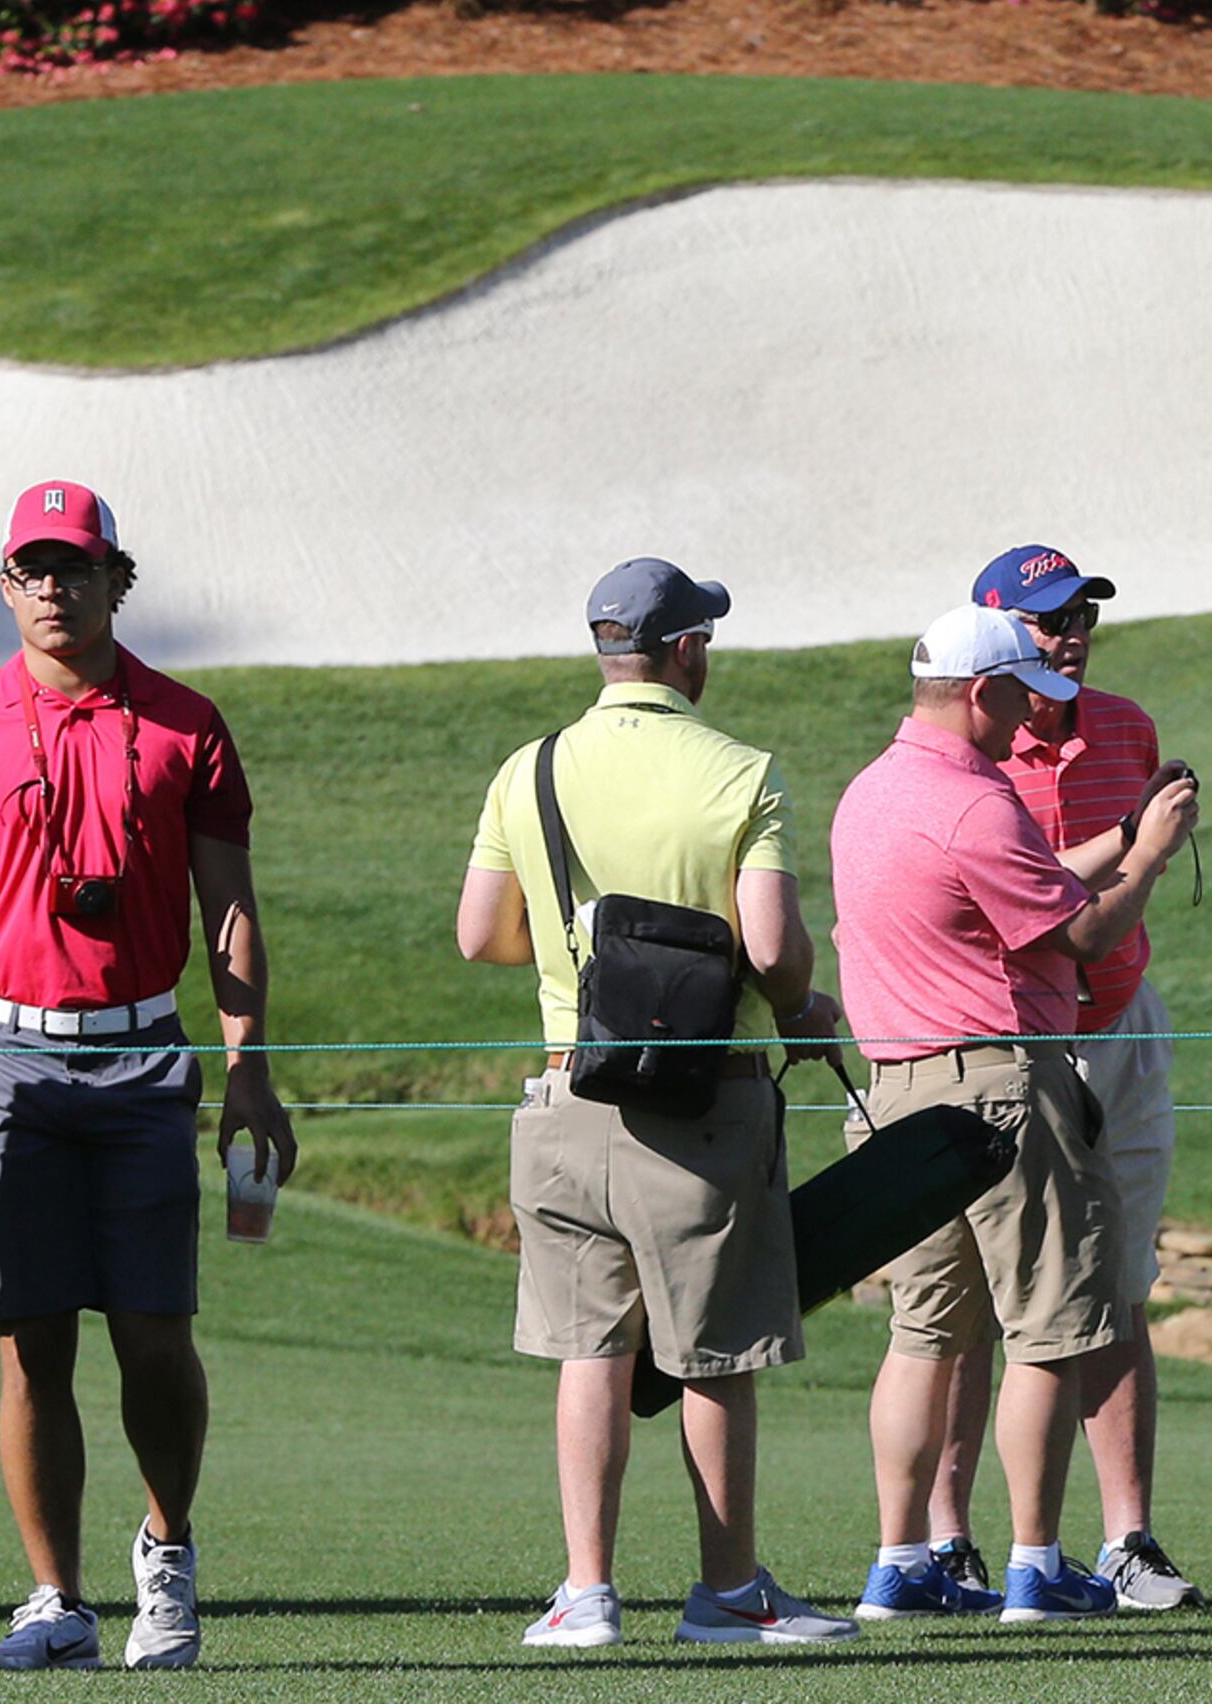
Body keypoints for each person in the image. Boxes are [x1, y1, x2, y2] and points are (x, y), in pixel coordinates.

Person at [0, 482, 295, 1671]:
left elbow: (227, 907)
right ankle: (55, 1600)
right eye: (31, 568)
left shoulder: (185, 722)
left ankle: (166, 1557)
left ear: (115, 580)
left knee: (155, 1330)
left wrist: (247, 1064)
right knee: (30, 1339)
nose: (52, 589)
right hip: (1, 1056)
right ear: (6, 582)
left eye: (75, 568)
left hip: (142, 1056)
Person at [456, 558, 861, 1649]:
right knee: (715, 1355)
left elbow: (479, 934)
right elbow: (771, 948)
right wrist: (801, 1001)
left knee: (591, 1351)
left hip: (564, 1093)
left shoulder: (527, 769)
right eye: (706, 641)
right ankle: (727, 1593)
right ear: (683, 651)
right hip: (702, 1105)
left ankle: (585, 1593)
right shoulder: (741, 772)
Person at [832, 602, 1198, 1626]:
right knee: (1047, 1328)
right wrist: (1152, 855)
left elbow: (1024, 886)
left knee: (923, 1335)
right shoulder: (974, 800)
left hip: (898, 1086)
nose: (1034, 713)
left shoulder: (871, 793)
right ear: (982, 692)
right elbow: (1081, 934)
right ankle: (1038, 1566)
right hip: (1002, 1085)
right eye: (1023, 697)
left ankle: (900, 1564)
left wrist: (1124, 832)